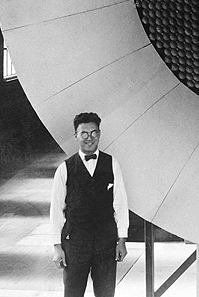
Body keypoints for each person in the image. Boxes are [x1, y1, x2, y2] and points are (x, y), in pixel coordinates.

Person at [50, 112, 129, 297]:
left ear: (99, 134)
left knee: (105, 292)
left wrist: (122, 240)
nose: (89, 138)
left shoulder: (112, 164)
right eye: (84, 133)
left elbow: (120, 203)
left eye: (94, 133)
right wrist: (57, 246)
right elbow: (56, 209)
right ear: (76, 136)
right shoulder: (64, 169)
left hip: (105, 241)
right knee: (73, 292)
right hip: (75, 242)